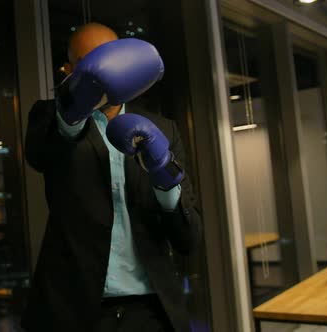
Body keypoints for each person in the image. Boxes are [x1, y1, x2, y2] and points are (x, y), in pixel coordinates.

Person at [22, 23, 202, 332]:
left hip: (151, 309)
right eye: (88, 63)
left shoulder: (162, 127)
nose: (103, 71)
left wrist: (165, 180)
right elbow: (41, 154)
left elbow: (189, 238)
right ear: (68, 70)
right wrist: (74, 108)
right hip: (75, 309)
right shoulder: (50, 118)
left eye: (110, 58)